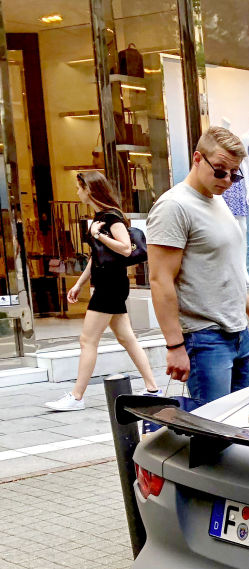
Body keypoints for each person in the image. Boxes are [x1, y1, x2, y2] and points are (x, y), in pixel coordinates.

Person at [148, 127, 249, 408]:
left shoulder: (217, 201)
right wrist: (174, 346)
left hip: (238, 334)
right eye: (220, 170)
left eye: (235, 173)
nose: (228, 180)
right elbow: (160, 280)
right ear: (197, 158)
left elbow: (222, 268)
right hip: (205, 338)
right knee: (214, 430)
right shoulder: (174, 206)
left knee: (241, 424)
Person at [44, 172, 160, 411]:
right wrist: (79, 284)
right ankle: (153, 389)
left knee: (88, 340)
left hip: (110, 286)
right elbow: (95, 258)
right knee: (127, 338)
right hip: (109, 284)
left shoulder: (111, 217)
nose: (77, 192)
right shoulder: (100, 217)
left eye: (79, 188)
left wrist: (98, 235)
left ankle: (77, 397)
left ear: (89, 189)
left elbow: (126, 249)